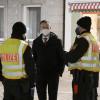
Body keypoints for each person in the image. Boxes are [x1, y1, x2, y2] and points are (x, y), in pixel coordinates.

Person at [65, 16, 99, 100]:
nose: (77, 28)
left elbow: (73, 57)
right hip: (92, 78)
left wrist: (62, 54)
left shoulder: (83, 40)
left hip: (81, 79)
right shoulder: (93, 39)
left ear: (81, 27)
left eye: (78, 26)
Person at [0, 22, 35, 100]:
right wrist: (32, 84)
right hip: (22, 86)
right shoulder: (25, 47)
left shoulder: (3, 45)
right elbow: (31, 68)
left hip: (7, 84)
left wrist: (3, 79)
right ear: (23, 33)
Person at [32, 20, 65, 100]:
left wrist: (60, 71)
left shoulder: (57, 41)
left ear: (50, 28)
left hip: (53, 74)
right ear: (40, 28)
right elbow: (34, 58)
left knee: (53, 96)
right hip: (40, 74)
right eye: (43, 27)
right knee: (41, 96)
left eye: (47, 27)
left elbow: (62, 57)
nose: (45, 29)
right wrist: (35, 72)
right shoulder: (36, 42)